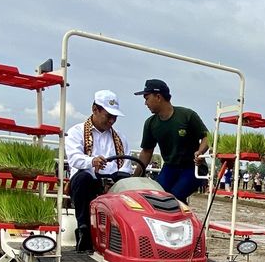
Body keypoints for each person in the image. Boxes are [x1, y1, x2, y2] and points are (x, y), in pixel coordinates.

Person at [66, 89, 133, 251]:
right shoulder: (77, 132)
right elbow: (74, 158)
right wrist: (91, 161)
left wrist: (117, 181)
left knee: (127, 183)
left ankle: (125, 237)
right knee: (83, 179)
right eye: (108, 116)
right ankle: (84, 230)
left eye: (114, 117)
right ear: (95, 110)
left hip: (112, 181)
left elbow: (127, 164)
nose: (112, 120)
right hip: (87, 180)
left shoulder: (120, 138)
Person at [132, 79, 209, 203]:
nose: (145, 103)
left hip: (193, 167)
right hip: (170, 167)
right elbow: (147, 152)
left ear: (158, 97)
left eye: (146, 98)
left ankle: (184, 220)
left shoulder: (187, 116)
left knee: (175, 197)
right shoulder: (150, 124)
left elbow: (206, 137)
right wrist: (134, 178)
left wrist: (200, 152)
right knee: (158, 197)